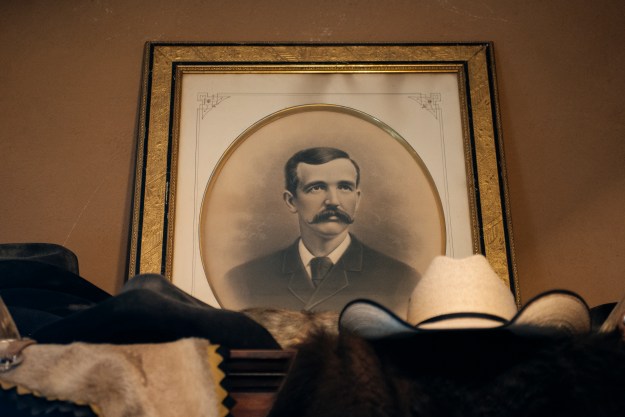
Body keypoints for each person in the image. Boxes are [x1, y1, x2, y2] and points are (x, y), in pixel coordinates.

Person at [224, 147, 419, 315]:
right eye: (316, 188)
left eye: (344, 187)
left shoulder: (401, 280)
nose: (333, 201)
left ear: (357, 199)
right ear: (291, 201)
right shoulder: (244, 280)